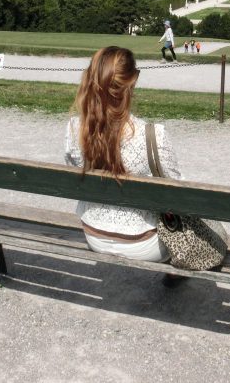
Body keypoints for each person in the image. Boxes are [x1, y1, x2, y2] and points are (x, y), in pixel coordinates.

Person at [64, 46, 182, 269]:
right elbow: (178, 191)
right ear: (133, 80)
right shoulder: (153, 134)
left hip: (94, 234)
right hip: (145, 244)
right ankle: (177, 272)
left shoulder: (73, 129)